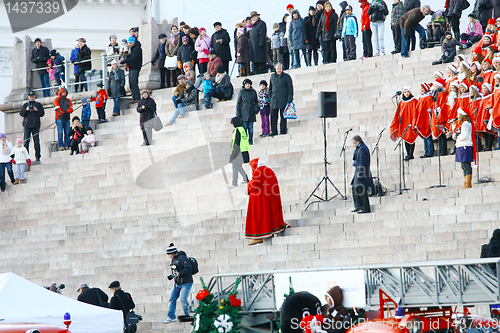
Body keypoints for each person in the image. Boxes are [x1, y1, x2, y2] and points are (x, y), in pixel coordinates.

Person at [245, 158, 290, 245]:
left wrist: (248, 185)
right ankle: (271, 231)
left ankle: (258, 236)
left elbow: (254, 184)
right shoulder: (269, 170)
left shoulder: (258, 171)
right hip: (269, 198)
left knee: (259, 215)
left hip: (261, 199)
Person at [164, 243, 193, 324]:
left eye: (169, 254)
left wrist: (179, 273)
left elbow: (188, 268)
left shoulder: (182, 257)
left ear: (173, 253)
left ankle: (188, 314)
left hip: (186, 282)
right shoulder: (174, 259)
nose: (169, 256)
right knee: (172, 298)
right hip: (178, 283)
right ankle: (171, 316)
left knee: (183, 298)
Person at [390, 87, 418, 160]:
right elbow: (399, 112)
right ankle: (408, 153)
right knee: (405, 138)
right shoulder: (401, 102)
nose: (407, 93)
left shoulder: (414, 100)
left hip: (411, 122)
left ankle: (411, 154)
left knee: (411, 138)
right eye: (405, 92)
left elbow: (417, 110)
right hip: (404, 122)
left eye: (408, 92)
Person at [268, 63, 294, 136]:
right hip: (274, 99)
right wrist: (270, 97)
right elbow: (270, 88)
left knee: (283, 116)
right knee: (273, 117)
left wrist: (290, 98)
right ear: (275, 69)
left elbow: (290, 88)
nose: (279, 70)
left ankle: (283, 130)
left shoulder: (286, 77)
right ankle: (274, 131)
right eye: (278, 69)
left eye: (280, 69)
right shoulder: (272, 77)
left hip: (284, 99)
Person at [453, 108, 475, 189]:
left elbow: (464, 135)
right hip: (461, 145)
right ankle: (465, 183)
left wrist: (457, 137)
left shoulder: (465, 124)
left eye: (458, 114)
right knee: (463, 166)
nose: (457, 116)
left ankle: (468, 184)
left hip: (465, 145)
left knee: (466, 165)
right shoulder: (462, 123)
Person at [351, 135, 373, 214]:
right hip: (359, 171)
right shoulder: (359, 149)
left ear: (358, 142)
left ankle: (365, 208)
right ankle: (358, 206)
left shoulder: (362, 149)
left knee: (361, 190)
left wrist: (360, 174)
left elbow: (363, 162)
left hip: (362, 172)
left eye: (354, 143)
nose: (353, 145)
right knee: (355, 188)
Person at [20, 91, 44, 162]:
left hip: (35, 125)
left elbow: (42, 113)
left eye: (33, 96)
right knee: (26, 142)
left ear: (34, 97)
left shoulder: (38, 105)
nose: (32, 98)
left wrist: (36, 110)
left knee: (36, 142)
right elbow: (22, 113)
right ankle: (25, 157)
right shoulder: (25, 105)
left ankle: (37, 156)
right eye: (30, 97)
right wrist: (26, 110)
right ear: (28, 97)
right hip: (27, 125)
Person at [413, 82, 434, 158]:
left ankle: (430, 151)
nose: (421, 90)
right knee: (425, 138)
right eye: (421, 88)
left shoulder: (428, 98)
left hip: (426, 119)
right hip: (421, 119)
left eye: (422, 88)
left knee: (428, 137)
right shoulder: (421, 98)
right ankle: (426, 151)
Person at [236, 79, 259, 145]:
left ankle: (250, 140)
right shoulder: (241, 92)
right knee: (245, 128)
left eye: (248, 84)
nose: (247, 85)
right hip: (244, 113)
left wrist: (256, 108)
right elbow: (238, 103)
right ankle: (245, 141)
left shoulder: (253, 92)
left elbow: (256, 101)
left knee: (251, 128)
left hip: (251, 112)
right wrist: (238, 113)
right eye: (246, 84)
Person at [229, 117, 250, 189]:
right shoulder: (242, 129)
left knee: (235, 167)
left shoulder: (237, 130)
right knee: (239, 167)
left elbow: (236, 142)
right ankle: (246, 180)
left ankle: (234, 183)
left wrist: (233, 153)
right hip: (242, 151)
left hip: (237, 152)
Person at [121, 36, 143, 103]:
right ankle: (134, 97)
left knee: (134, 83)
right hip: (131, 68)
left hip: (135, 68)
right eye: (129, 43)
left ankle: (137, 97)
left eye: (131, 43)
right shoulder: (131, 49)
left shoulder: (137, 49)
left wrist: (125, 60)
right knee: (131, 83)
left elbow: (134, 58)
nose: (130, 44)